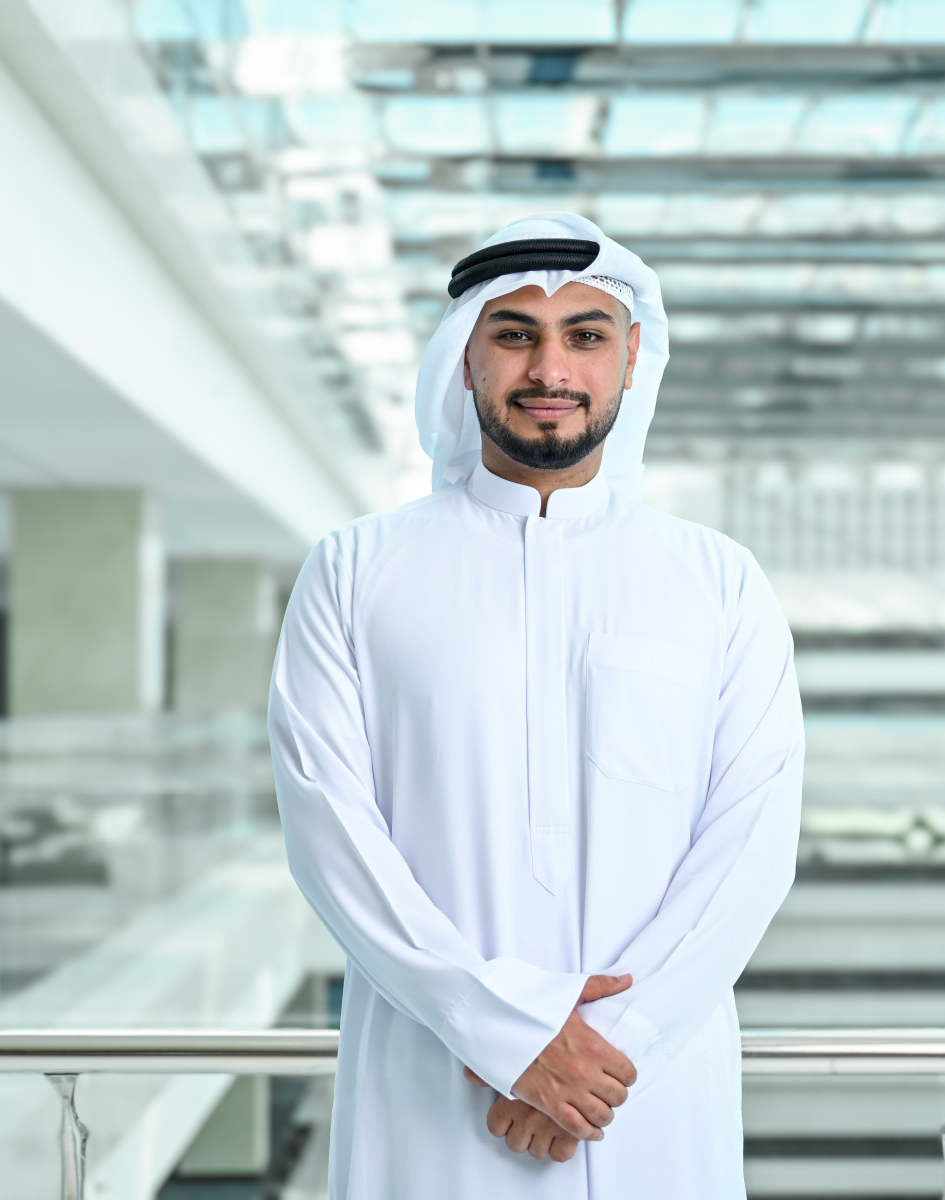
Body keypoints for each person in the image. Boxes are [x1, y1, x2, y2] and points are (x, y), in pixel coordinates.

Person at [266, 211, 804, 1198]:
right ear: (465, 357)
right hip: (434, 1090)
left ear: (630, 358)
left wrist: (601, 1051)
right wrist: (506, 1038)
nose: (550, 369)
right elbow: (330, 838)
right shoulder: (353, 572)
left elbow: (751, 846)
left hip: (644, 1098)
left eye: (584, 336)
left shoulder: (719, 582)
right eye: (515, 334)